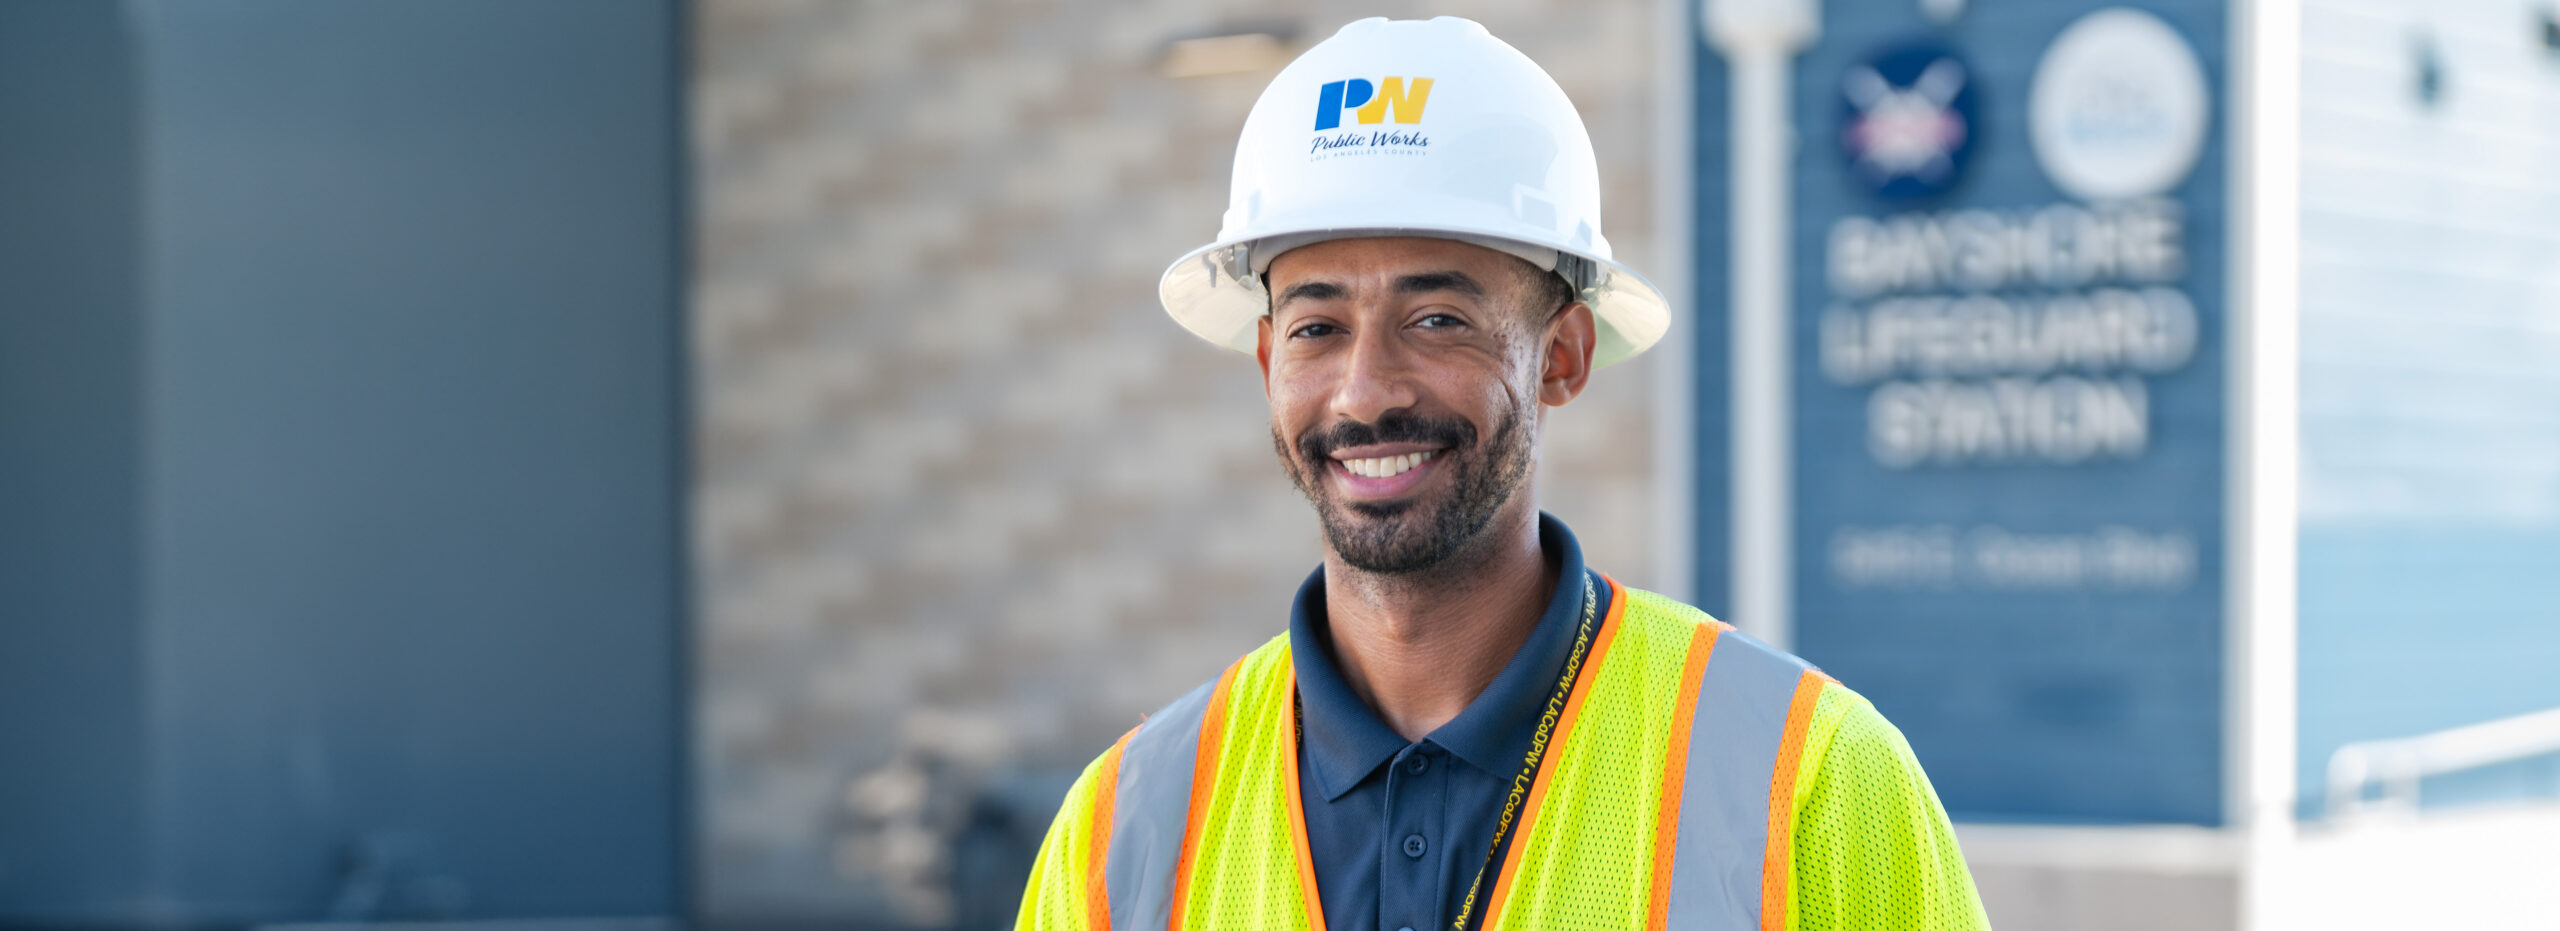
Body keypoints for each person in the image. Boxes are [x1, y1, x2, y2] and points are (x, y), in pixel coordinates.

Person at [1017, 16, 1987, 931]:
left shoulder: (1810, 777)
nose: (1364, 391)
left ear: (1562, 355)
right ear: (1269, 361)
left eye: (1437, 319)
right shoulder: (1118, 834)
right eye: (1317, 327)